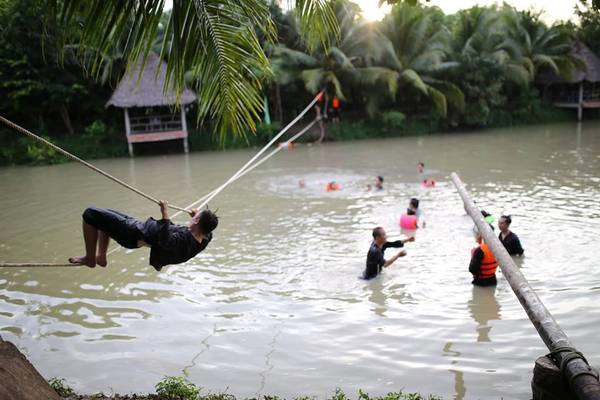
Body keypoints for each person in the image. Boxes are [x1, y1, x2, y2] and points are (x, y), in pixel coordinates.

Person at [69, 201, 218, 271]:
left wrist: (165, 214)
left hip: (132, 234)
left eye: (197, 216)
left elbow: (165, 240)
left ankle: (90, 259)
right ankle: (101, 257)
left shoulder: (183, 241)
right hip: (138, 226)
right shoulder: (204, 239)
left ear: (197, 221)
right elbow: (209, 230)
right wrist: (196, 216)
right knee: (104, 215)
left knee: (90, 214)